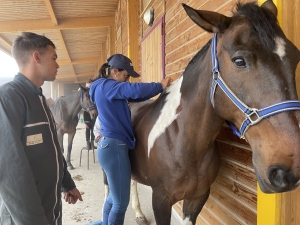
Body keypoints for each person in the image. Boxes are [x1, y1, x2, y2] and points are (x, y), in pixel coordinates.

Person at [0, 32, 83, 225]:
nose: (57, 64)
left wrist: (67, 183)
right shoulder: (8, 98)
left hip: (50, 210)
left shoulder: (40, 100)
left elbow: (52, 148)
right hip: (26, 218)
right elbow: (10, 170)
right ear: (36, 57)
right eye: (53, 58)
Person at [89, 53, 172, 225]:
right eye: (126, 76)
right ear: (115, 71)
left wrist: (158, 91)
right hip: (114, 147)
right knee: (120, 203)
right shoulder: (107, 86)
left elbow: (134, 96)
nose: (127, 81)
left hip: (108, 147)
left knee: (113, 196)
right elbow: (133, 90)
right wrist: (159, 85)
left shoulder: (103, 88)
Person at [84, 82, 96, 150]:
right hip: (86, 114)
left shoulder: (93, 94)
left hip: (93, 114)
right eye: (88, 86)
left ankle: (92, 143)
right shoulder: (84, 94)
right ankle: (88, 144)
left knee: (93, 129)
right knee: (87, 128)